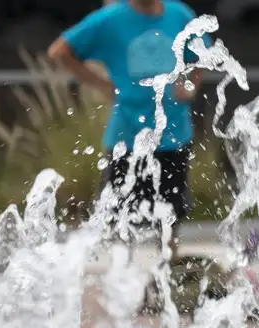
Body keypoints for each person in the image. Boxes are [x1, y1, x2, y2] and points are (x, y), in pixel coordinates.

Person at [49, 0, 209, 236]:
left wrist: (191, 85)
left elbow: (202, 54)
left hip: (173, 133)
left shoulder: (178, 14)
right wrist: (101, 84)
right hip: (126, 135)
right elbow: (59, 51)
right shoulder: (110, 19)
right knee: (118, 214)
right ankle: (122, 270)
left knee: (171, 215)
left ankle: (166, 267)